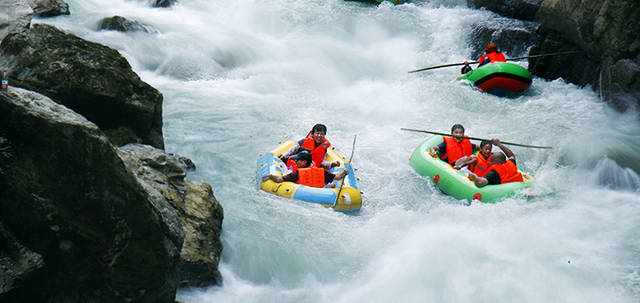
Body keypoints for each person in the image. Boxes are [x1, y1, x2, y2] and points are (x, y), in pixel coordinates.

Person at [264, 150, 347, 188]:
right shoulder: (321, 171)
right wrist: (344, 173)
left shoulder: (297, 174)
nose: (296, 161)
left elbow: (279, 179)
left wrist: (271, 176)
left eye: (298, 160)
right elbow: (337, 177)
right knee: (330, 185)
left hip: (302, 194)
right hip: (321, 192)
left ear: (304, 162)